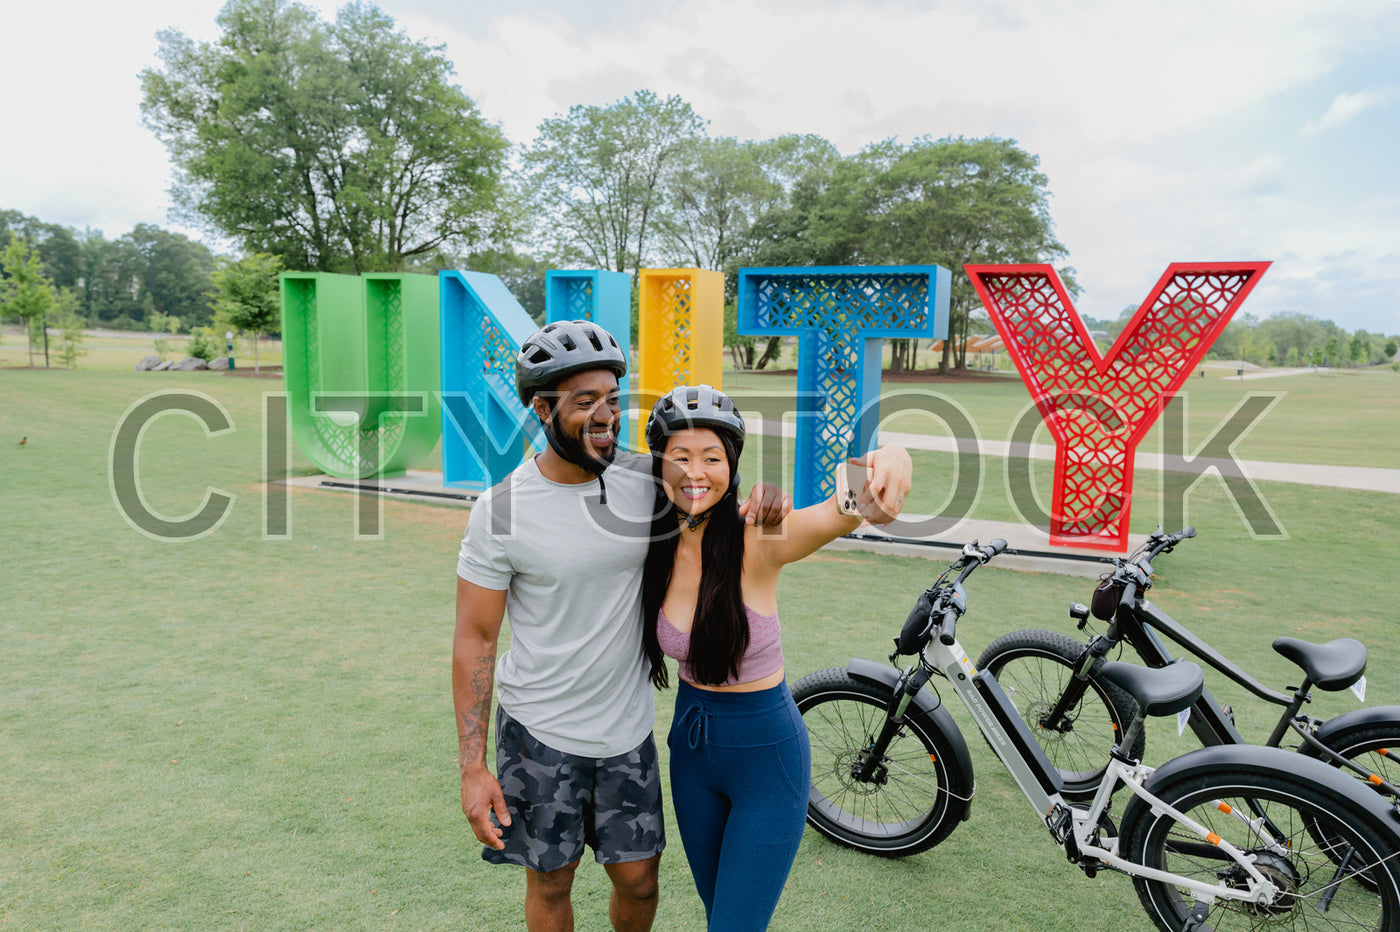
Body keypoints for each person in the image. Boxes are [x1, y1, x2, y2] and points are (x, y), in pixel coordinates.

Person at [453, 321, 792, 932]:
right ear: (541, 407)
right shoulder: (499, 511)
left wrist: (765, 495)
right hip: (538, 732)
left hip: (628, 732)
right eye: (585, 402)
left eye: (612, 398)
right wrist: (473, 767)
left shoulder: (647, 480)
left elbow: (708, 484)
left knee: (639, 883)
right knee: (552, 884)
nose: (605, 414)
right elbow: (475, 639)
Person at [640, 384, 912, 932]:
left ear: (732, 463)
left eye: (712, 458)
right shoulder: (653, 539)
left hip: (766, 757)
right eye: (681, 457)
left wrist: (891, 457)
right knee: (719, 913)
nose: (696, 473)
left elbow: (845, 509)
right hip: (690, 754)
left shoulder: (758, 534)